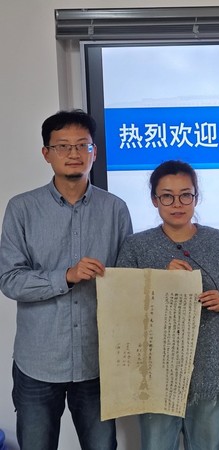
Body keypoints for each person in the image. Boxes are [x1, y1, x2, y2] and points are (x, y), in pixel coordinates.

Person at [0, 110, 133, 450]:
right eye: (62, 146)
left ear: (94, 152)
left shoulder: (115, 209)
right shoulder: (21, 209)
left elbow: (127, 280)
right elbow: (10, 280)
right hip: (38, 361)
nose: (73, 153)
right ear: (46, 153)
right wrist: (66, 277)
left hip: (96, 361)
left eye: (82, 145)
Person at [115, 160, 219, 450]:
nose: (177, 204)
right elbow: (122, 304)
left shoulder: (218, 241)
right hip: (156, 372)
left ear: (196, 197)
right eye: (167, 196)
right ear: (154, 200)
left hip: (208, 366)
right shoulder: (136, 245)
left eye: (186, 195)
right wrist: (162, 281)